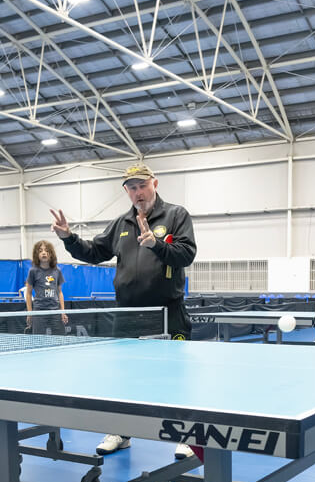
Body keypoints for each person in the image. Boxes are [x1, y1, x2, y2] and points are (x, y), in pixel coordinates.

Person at [50, 162, 197, 458]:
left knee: (176, 376)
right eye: (131, 188)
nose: (137, 192)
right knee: (124, 378)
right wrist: (69, 238)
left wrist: (156, 244)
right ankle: (121, 431)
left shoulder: (176, 215)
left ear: (154, 183)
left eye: (142, 185)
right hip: (128, 313)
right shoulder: (121, 224)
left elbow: (186, 254)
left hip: (168, 311)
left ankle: (187, 435)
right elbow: (93, 253)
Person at [25, 239, 69, 335]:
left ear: (51, 254)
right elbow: (28, 293)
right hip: (39, 311)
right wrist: (29, 313)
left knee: (60, 340)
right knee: (38, 340)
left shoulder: (57, 271)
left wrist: (63, 312)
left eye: (47, 251)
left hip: (55, 310)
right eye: (40, 251)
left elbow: (60, 292)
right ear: (36, 254)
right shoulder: (33, 271)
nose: (44, 253)